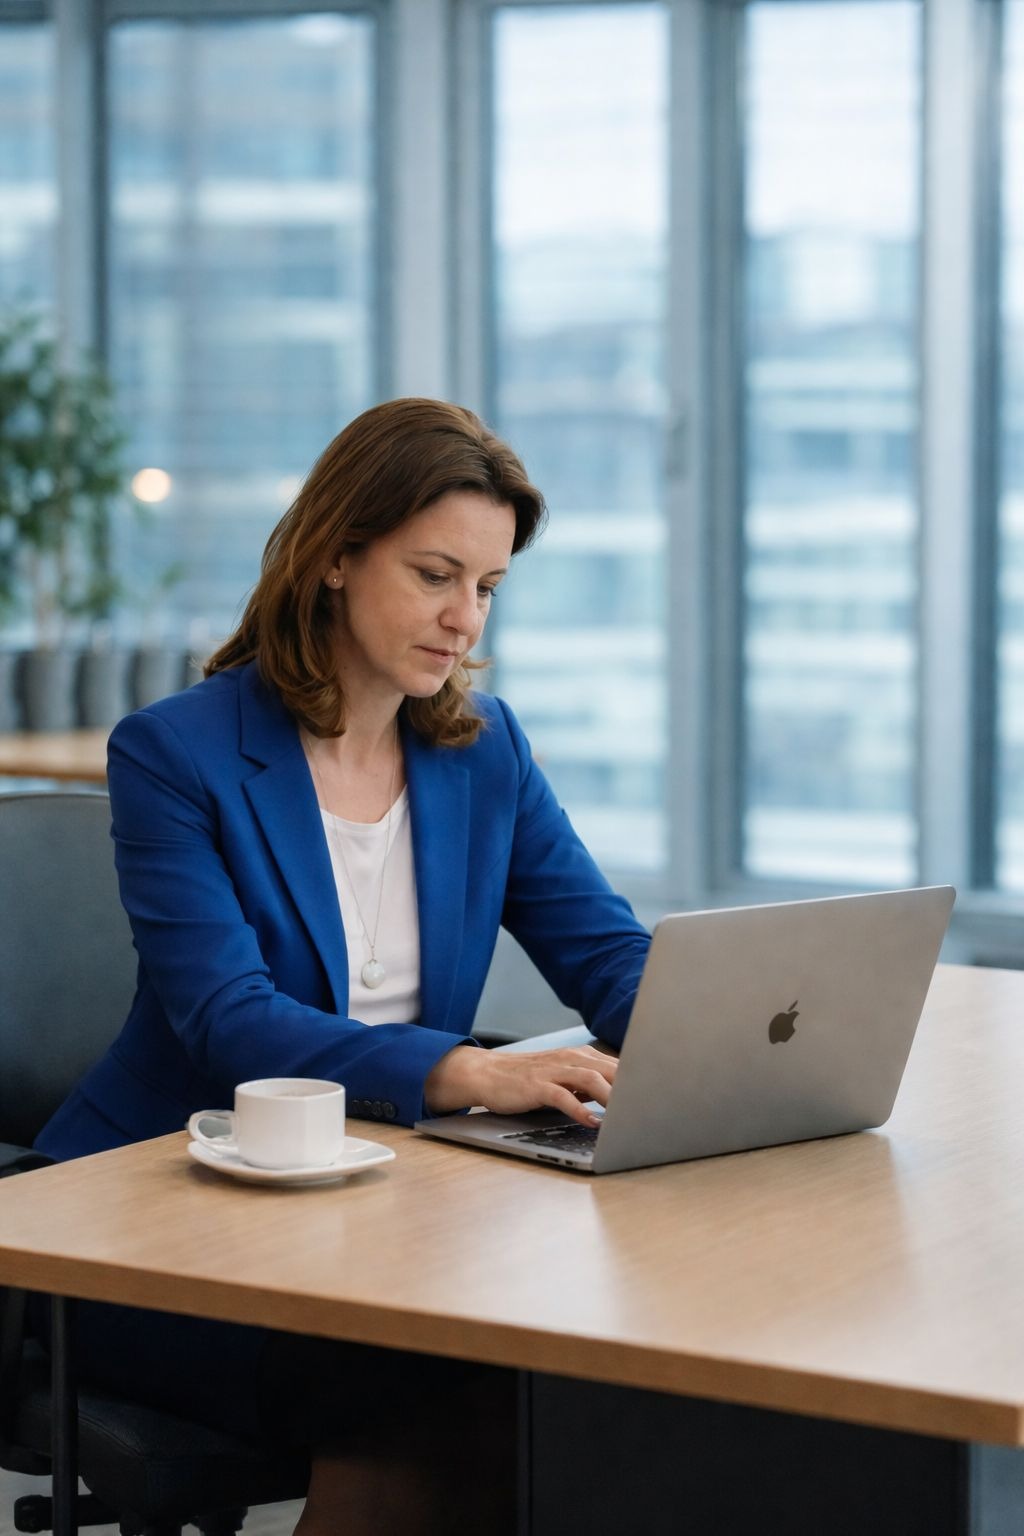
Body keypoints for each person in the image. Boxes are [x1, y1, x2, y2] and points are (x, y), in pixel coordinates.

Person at [35, 397, 651, 1534]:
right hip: (161, 1223)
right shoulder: (178, 753)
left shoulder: (483, 751)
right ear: (332, 556)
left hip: (382, 1216)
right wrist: (470, 1072)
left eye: (487, 588)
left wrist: (723, 1028)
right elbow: (232, 1022)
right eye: (434, 575)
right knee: (429, 1393)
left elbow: (603, 951)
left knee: (575, 1374)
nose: (465, 618)